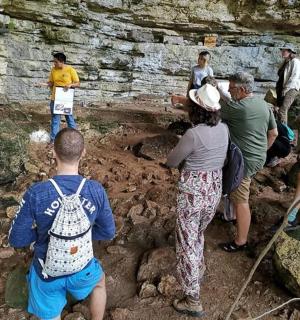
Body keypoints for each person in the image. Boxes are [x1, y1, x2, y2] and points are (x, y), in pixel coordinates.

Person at [9, 128, 115, 320]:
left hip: (47, 272)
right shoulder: (96, 190)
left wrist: (43, 234)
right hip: (83, 268)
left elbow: (16, 239)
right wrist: (81, 233)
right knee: (99, 283)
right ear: (83, 153)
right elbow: (108, 232)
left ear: (53, 153)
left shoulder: (37, 193)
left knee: (49, 309)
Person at [165, 84, 228, 316]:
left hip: (193, 193)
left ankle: (192, 299)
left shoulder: (193, 134)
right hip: (214, 189)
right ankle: (198, 267)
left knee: (185, 243)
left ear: (197, 109)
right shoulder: (224, 128)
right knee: (198, 232)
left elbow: (172, 161)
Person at [218, 72, 278, 252]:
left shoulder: (238, 108)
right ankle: (231, 216)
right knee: (237, 189)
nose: (229, 89)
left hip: (245, 162)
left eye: (232, 87)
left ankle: (240, 242)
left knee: (241, 199)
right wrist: (261, 151)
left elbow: (214, 109)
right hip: (259, 157)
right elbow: (273, 133)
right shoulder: (262, 104)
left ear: (242, 89)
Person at [38, 52, 80, 143]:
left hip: (66, 99)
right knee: (55, 119)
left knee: (69, 118)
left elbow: (77, 83)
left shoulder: (70, 70)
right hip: (55, 98)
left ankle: (75, 139)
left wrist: (70, 85)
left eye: (56, 62)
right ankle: (54, 141)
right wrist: (43, 84)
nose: (54, 63)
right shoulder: (53, 70)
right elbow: (51, 83)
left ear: (62, 61)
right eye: (54, 61)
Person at [276, 44, 300, 124]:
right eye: (282, 50)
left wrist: (286, 89)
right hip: (282, 89)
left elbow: (294, 77)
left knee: (282, 110)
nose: (282, 52)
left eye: (284, 51)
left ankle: (285, 134)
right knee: (279, 110)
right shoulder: (285, 62)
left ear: (290, 52)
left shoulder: (295, 61)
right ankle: (281, 131)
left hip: (291, 88)